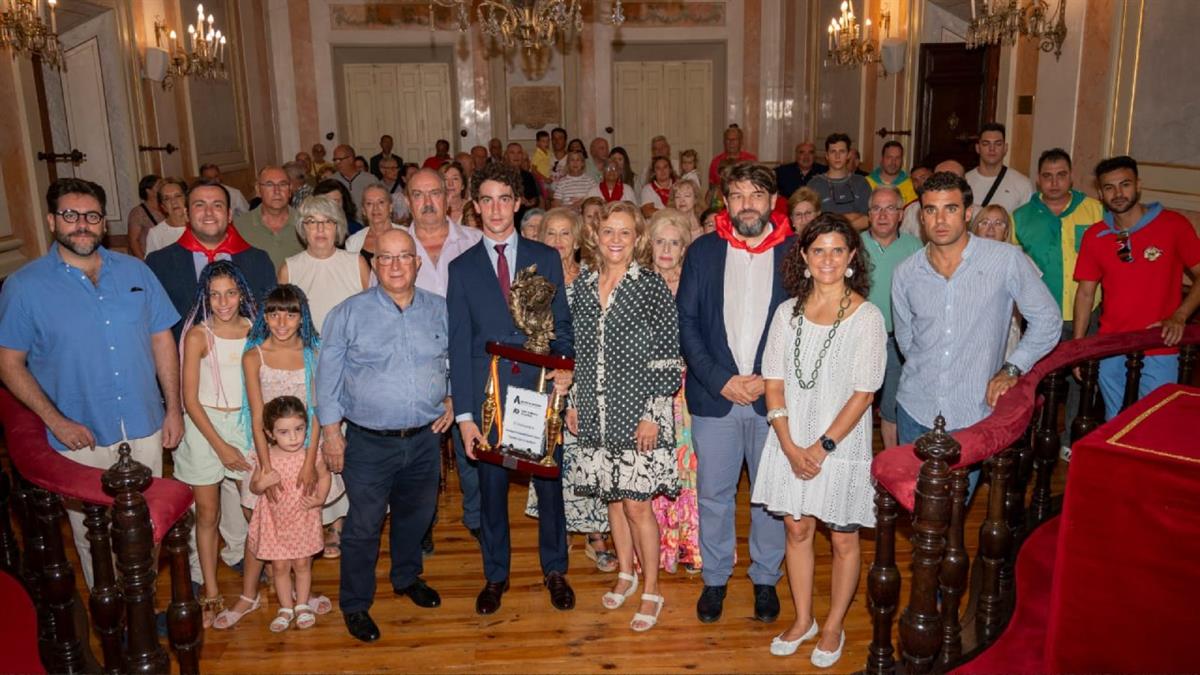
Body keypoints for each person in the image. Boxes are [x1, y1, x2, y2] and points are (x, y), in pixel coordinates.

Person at [0, 177, 182, 589]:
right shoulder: (24, 287)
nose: (81, 224)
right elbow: (8, 363)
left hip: (144, 425)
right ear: (52, 220)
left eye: (91, 216)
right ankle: (115, 622)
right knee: (93, 540)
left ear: (103, 222)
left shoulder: (137, 271)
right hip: (78, 437)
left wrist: (173, 406)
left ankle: (142, 607)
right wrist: (54, 420)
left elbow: (161, 339)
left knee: (148, 528)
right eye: (70, 215)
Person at [751, 214, 885, 667]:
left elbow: (864, 392)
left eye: (837, 250)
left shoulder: (867, 317)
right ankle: (804, 617)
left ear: (851, 257)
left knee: (844, 539)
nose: (827, 259)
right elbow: (773, 381)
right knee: (797, 527)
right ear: (804, 258)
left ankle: (833, 626)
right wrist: (789, 445)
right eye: (818, 250)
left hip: (840, 445)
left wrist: (820, 448)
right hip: (789, 438)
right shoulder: (786, 313)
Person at [448, 161, 575, 616]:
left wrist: (565, 371)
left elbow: (562, 326)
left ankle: (555, 569)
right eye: (487, 199)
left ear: (519, 203)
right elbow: (459, 344)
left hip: (541, 394)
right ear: (476, 206)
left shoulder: (545, 258)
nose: (496, 209)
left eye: (505, 198)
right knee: (491, 490)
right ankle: (495, 575)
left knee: (551, 487)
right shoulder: (461, 268)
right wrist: (463, 417)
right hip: (489, 401)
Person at [318, 228, 454, 642]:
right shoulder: (348, 313)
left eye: (404, 257)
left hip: (425, 438)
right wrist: (330, 433)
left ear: (416, 263)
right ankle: (356, 603)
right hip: (368, 442)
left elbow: (453, 360)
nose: (396, 265)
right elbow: (326, 378)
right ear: (375, 265)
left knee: (416, 516)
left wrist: (451, 398)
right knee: (363, 525)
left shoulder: (440, 309)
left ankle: (406, 576)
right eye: (386, 258)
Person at [892, 172, 1060, 497]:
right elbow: (907, 341)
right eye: (930, 210)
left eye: (950, 209)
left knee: (954, 513)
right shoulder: (906, 273)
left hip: (970, 411)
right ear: (921, 216)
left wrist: (1012, 368)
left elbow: (1048, 320)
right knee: (916, 510)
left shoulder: (1005, 260)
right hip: (915, 408)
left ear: (968, 213)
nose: (940, 219)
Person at [677, 162, 794, 624]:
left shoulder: (793, 252)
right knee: (714, 494)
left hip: (774, 399)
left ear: (771, 202)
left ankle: (766, 578)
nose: (748, 203)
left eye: (757, 194)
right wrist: (721, 379)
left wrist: (769, 378)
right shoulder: (704, 251)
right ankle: (717, 578)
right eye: (739, 194)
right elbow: (685, 324)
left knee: (770, 494)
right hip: (716, 394)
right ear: (726, 202)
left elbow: (805, 325)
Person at [567, 201, 682, 632]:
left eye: (625, 232)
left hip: (638, 411)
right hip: (595, 410)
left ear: (638, 240)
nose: (615, 239)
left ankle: (651, 588)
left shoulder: (651, 286)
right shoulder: (581, 286)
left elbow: (669, 355)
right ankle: (626, 573)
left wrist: (654, 412)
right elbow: (576, 352)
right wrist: (575, 400)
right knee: (612, 499)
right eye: (608, 231)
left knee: (637, 505)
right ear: (596, 237)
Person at [214, 284, 337, 630]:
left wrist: (315, 461)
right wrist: (265, 469)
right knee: (260, 528)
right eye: (274, 312)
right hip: (266, 453)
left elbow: (317, 409)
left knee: (300, 523)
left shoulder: (314, 351)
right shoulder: (254, 354)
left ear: (302, 317)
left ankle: (300, 597)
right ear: (264, 316)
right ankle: (249, 595)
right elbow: (255, 416)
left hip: (305, 451)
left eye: (291, 312)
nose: (282, 321)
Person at [1072, 155, 1200, 419]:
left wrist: (1180, 316)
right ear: (1100, 193)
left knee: (1156, 421)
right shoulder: (1095, 235)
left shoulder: (1173, 225)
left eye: (1125, 184)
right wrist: (1078, 345)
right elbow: (1085, 293)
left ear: (1138, 185)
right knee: (1115, 422)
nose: (1118, 193)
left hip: (1159, 343)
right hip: (1111, 345)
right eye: (1109, 187)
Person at [525, 208, 615, 572]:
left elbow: (598, 342)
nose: (559, 242)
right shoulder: (532, 284)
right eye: (551, 234)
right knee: (551, 460)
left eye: (565, 234)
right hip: (543, 385)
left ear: (578, 240)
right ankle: (557, 529)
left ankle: (595, 534)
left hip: (587, 386)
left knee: (589, 460)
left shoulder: (594, 281)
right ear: (540, 239)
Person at [402, 168, 484, 547]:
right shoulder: (394, 246)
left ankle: (479, 519)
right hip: (416, 370)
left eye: (434, 193)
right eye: (418, 195)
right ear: (407, 201)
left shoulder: (475, 242)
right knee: (420, 459)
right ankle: (422, 526)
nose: (428, 202)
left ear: (449, 196)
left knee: (474, 451)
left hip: (469, 364)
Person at [175, 260, 256, 627]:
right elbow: (189, 399)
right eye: (215, 294)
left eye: (230, 293)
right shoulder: (198, 335)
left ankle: (253, 586)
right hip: (204, 425)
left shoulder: (255, 330)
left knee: (254, 511)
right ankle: (209, 588)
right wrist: (221, 446)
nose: (223, 302)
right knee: (207, 514)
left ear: (242, 294)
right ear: (205, 297)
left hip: (244, 424)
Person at [1013, 148, 1105, 439]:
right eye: (1048, 176)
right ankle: (1035, 434)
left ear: (1071, 177)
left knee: (1082, 379)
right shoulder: (1021, 216)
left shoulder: (1094, 210)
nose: (1054, 183)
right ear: (1038, 180)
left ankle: (1070, 440)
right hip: (1039, 316)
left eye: (1061, 175)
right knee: (1036, 378)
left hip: (1087, 312)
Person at [145, 180, 276, 340]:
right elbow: (154, 329)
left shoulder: (258, 261)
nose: (209, 212)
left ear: (229, 215)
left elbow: (270, 320)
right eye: (200, 205)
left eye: (217, 205)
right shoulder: (159, 264)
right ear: (187, 214)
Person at [646, 208, 701, 575]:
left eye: (675, 242)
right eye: (660, 241)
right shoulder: (637, 283)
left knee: (691, 469)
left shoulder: (697, 283)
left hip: (688, 389)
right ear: (649, 245)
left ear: (685, 247)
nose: (667, 249)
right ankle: (655, 548)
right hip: (647, 391)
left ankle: (690, 546)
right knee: (652, 467)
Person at [247, 395, 331, 632]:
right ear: (270, 433)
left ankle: (302, 605)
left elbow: (324, 475)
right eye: (284, 432)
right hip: (275, 521)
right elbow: (254, 486)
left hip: (303, 517)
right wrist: (263, 483)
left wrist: (320, 498)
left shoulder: (310, 455)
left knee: (303, 563)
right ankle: (285, 607)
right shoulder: (267, 458)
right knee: (280, 567)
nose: (293, 437)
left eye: (299, 429)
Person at [863, 186, 922, 449]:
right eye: (876, 208)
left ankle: (891, 467)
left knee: (891, 408)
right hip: (861, 340)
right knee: (856, 403)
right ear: (868, 214)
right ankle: (857, 464)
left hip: (899, 341)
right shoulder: (852, 245)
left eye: (890, 208)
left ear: (901, 214)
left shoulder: (915, 247)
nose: (883, 215)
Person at [279, 196, 370, 332]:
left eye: (327, 221)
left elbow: (371, 315)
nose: (320, 228)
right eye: (312, 222)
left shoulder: (357, 263)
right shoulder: (289, 270)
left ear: (337, 227)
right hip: (306, 351)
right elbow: (282, 323)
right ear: (303, 228)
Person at [971, 205, 1028, 360]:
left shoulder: (1018, 260)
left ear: (1006, 232)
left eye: (998, 223)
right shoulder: (962, 260)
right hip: (970, 336)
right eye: (984, 222)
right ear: (975, 228)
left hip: (1005, 335)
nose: (991, 229)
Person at [234, 166, 303, 268]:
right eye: (269, 184)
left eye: (282, 184)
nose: (277, 191)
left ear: (290, 189)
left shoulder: (306, 223)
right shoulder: (240, 226)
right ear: (258, 190)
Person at [965, 122, 1034, 215]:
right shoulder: (965, 181)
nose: (992, 148)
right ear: (978, 148)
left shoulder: (1022, 184)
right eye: (986, 144)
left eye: (998, 144)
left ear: (1005, 148)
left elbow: (1027, 223)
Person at [808, 133, 870, 231]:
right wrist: (852, 217)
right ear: (827, 156)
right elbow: (811, 221)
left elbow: (868, 219)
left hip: (858, 241)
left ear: (848, 155)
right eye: (833, 152)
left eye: (842, 151)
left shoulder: (861, 182)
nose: (837, 156)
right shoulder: (814, 184)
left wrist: (833, 223)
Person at [900, 159, 965, 239]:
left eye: (923, 178)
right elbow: (903, 238)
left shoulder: (963, 207)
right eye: (915, 180)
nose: (920, 183)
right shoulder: (910, 209)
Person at [344, 182, 400, 263]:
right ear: (363, 210)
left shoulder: (408, 234)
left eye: (381, 202)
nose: (375, 208)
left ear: (390, 207)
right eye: (369, 203)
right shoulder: (353, 242)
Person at [145, 177, 190, 255]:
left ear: (186, 199)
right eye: (167, 199)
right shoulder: (156, 233)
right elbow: (152, 263)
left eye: (178, 196)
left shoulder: (199, 226)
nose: (173, 201)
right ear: (163, 206)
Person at [867, 141, 918, 205]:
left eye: (897, 158)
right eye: (889, 157)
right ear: (882, 159)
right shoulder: (867, 183)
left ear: (902, 160)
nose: (893, 162)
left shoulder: (910, 185)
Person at [707, 125, 758, 190]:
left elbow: (757, 184)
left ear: (741, 142)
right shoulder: (716, 161)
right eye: (728, 139)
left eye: (734, 140)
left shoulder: (751, 160)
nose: (731, 143)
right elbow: (712, 186)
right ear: (724, 142)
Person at [127, 174, 163, 259]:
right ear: (148, 191)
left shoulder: (166, 208)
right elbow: (133, 241)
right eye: (159, 185)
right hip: (148, 258)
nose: (163, 188)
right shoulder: (138, 212)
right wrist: (143, 262)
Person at [505, 142, 543, 222]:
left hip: (527, 216)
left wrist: (533, 201)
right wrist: (516, 200)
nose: (516, 156)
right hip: (508, 216)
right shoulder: (501, 175)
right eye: (512, 153)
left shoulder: (528, 175)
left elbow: (535, 197)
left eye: (519, 153)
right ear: (506, 156)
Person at [332, 144, 371, 209]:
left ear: (351, 159)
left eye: (339, 160)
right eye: (335, 160)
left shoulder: (370, 180)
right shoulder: (332, 181)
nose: (336, 163)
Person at [439, 160, 469, 225]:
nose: (450, 184)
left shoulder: (473, 209)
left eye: (455, 179)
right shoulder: (434, 209)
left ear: (463, 185)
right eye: (445, 179)